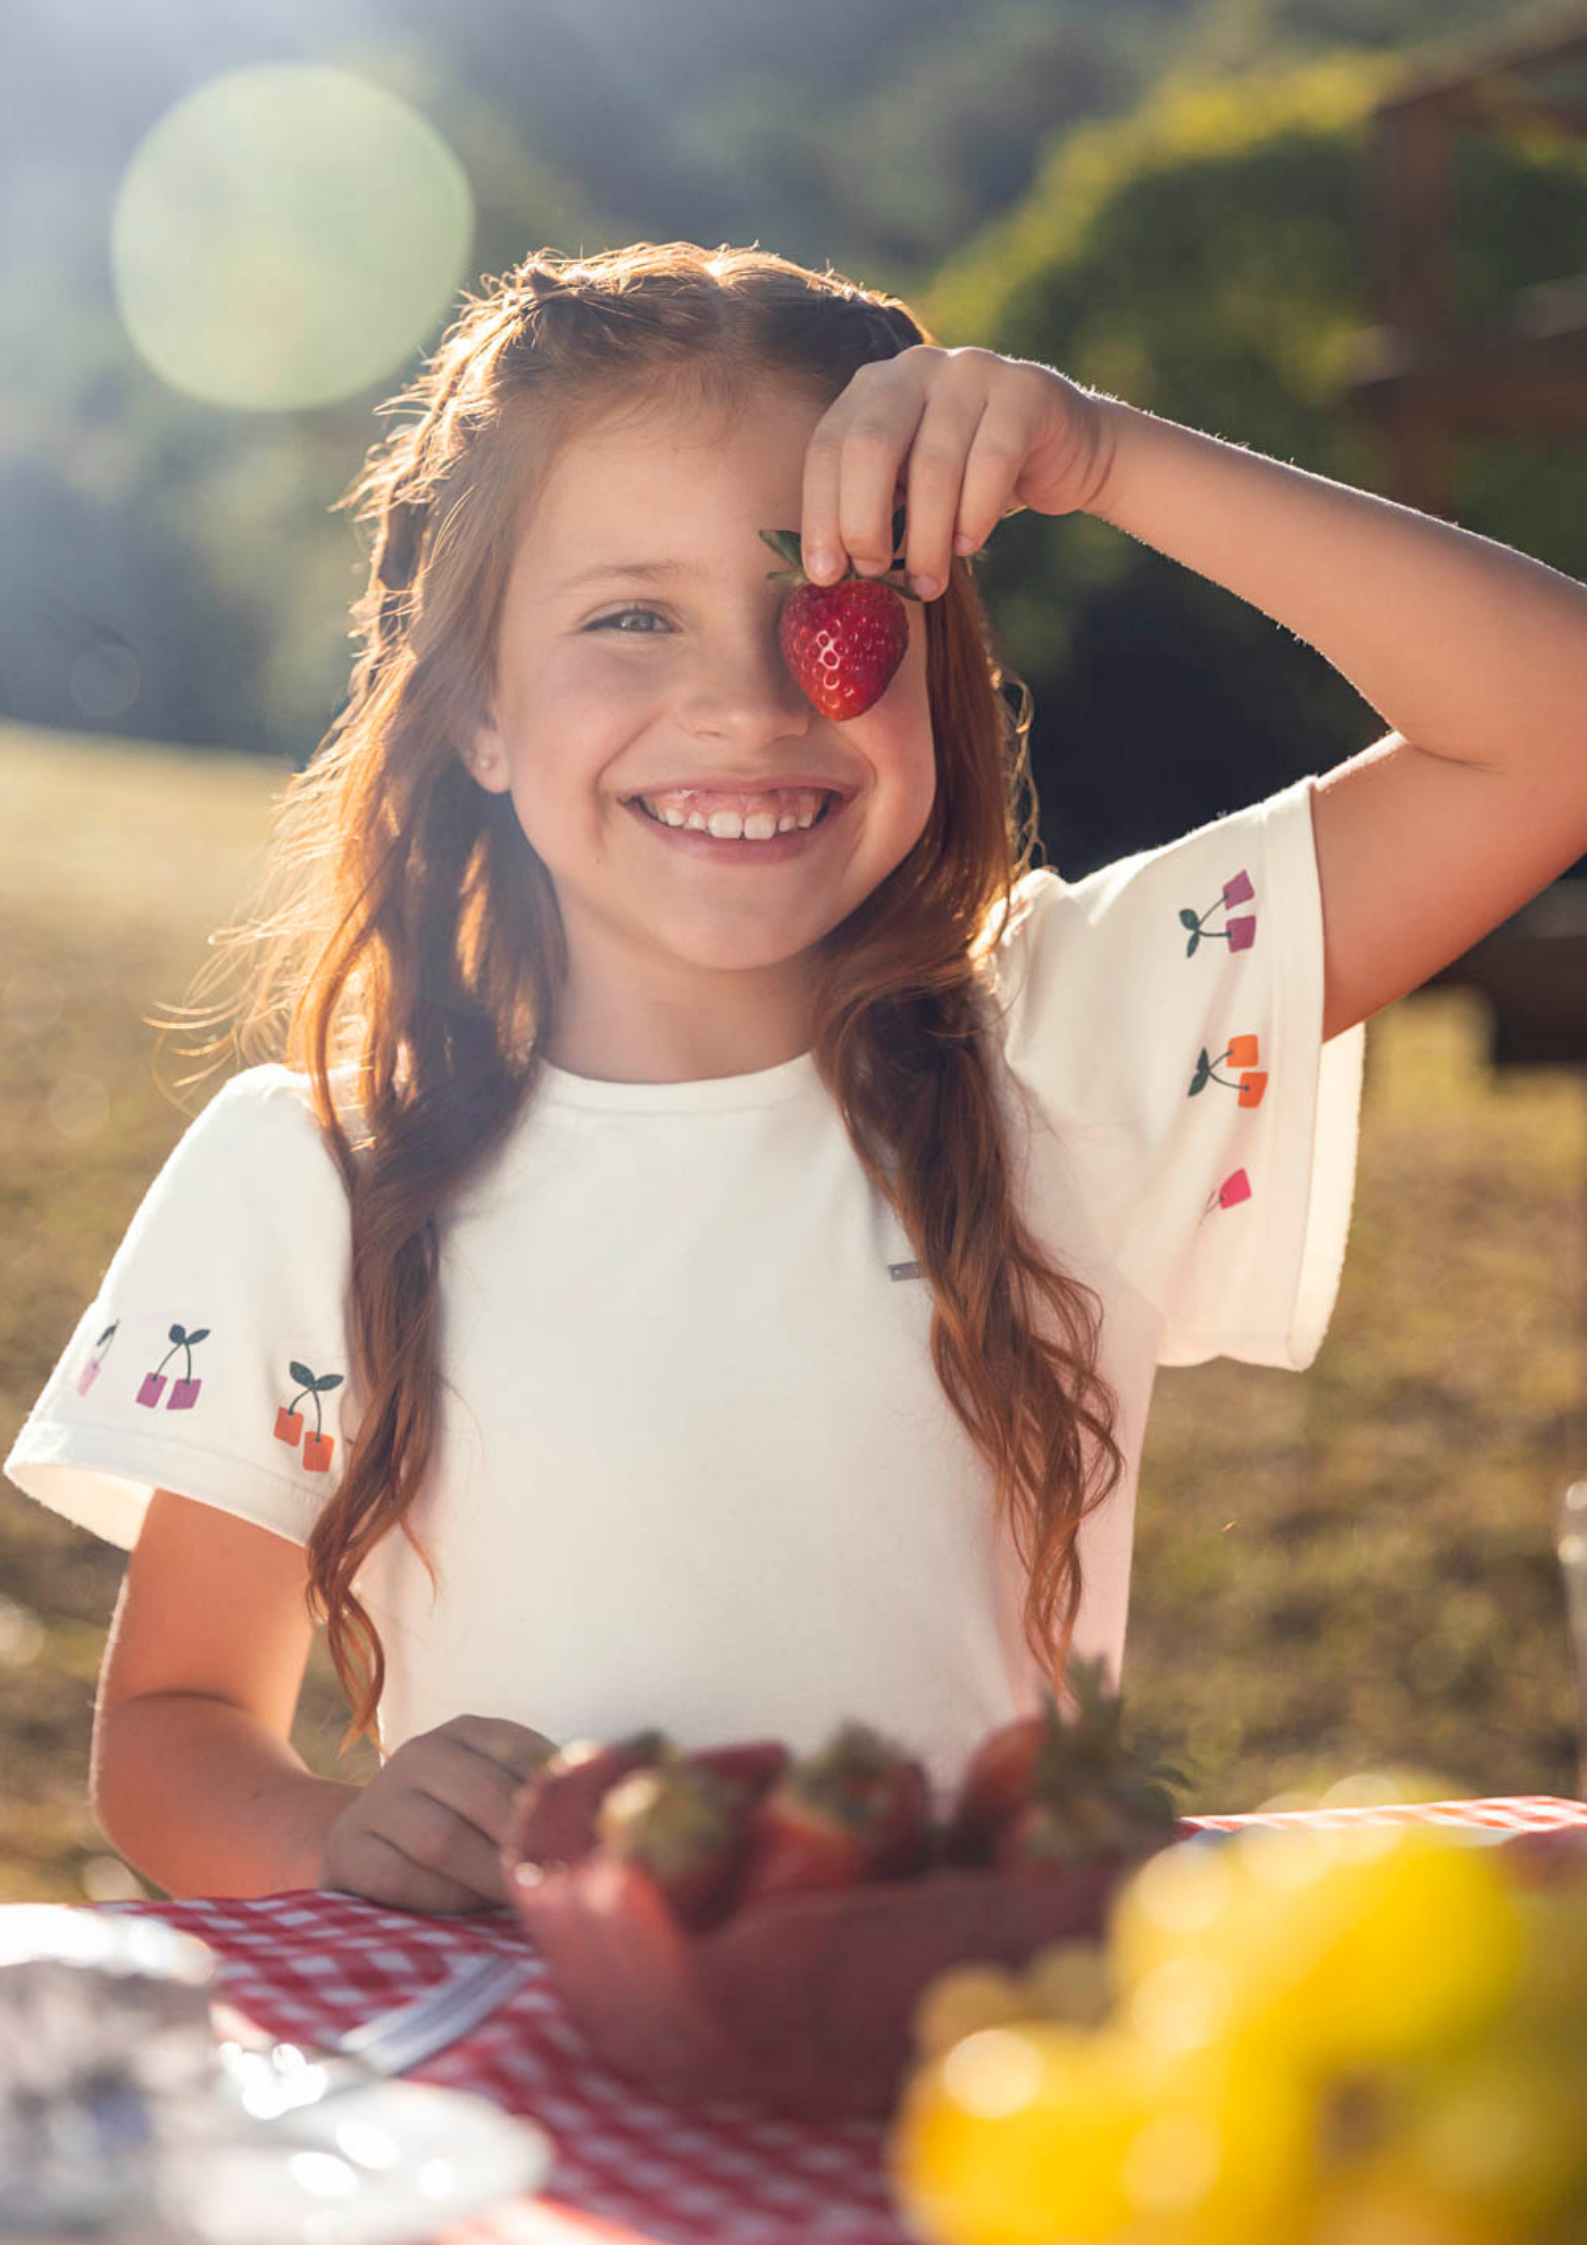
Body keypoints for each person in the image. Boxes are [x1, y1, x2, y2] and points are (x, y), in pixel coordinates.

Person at [7, 241, 1586, 1918]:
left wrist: (1105, 456)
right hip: (556, 2092)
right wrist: (331, 1833)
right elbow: (175, 1735)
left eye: (836, 608)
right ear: (469, 712)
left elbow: (1547, 723)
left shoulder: (1074, 1042)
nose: (751, 704)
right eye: (630, 617)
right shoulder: (314, 1175)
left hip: (990, 2064)